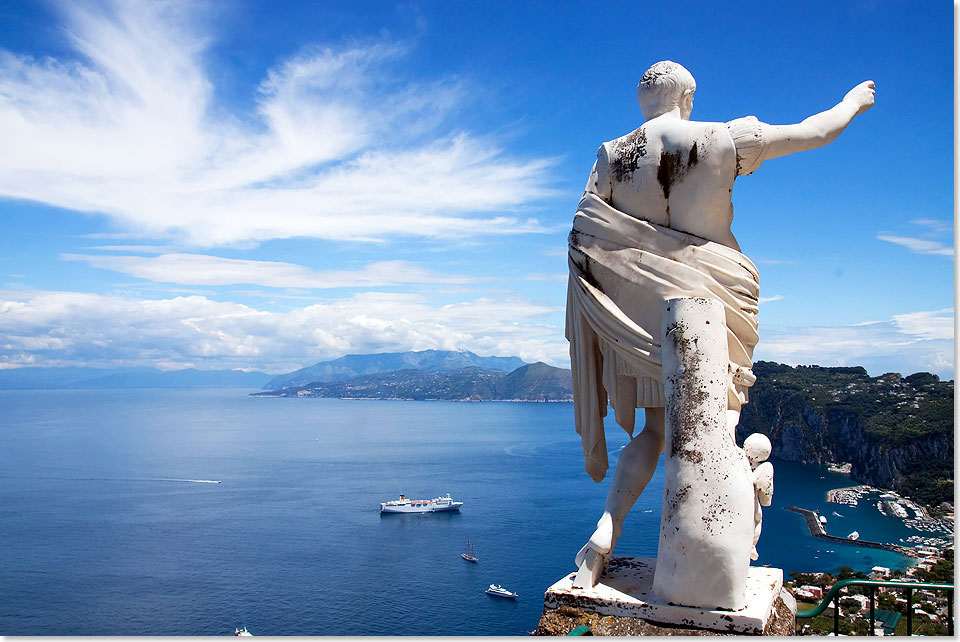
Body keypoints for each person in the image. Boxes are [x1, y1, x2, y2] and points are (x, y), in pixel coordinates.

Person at [566, 60, 874, 586]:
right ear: (688, 96)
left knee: (656, 431)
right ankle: (704, 561)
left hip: (640, 320)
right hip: (710, 311)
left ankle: (606, 530)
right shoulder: (721, 139)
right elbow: (814, 131)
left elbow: (585, 237)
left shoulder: (610, 155)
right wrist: (853, 103)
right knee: (715, 431)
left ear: (642, 100)